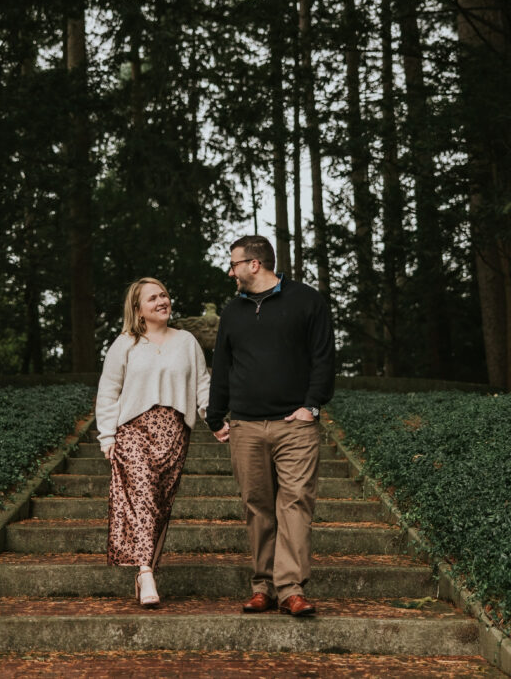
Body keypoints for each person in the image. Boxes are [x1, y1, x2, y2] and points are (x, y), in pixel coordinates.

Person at [206, 235, 335, 617]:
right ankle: (262, 586)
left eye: (234, 264)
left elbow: (323, 356)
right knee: (258, 506)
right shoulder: (232, 312)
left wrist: (312, 406)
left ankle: (291, 588)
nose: (231, 272)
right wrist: (216, 416)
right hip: (246, 425)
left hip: (293, 425)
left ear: (255, 264)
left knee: (295, 503)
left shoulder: (307, 300)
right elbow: (223, 367)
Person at [96, 277, 211, 607]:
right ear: (138, 309)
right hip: (134, 430)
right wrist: (107, 436)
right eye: (153, 298)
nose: (162, 301)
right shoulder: (125, 344)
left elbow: (203, 385)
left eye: (164, 295)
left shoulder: (187, 341)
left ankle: (146, 566)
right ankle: (145, 572)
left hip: (175, 431)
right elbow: (108, 393)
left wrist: (213, 419)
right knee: (143, 497)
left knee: (160, 503)